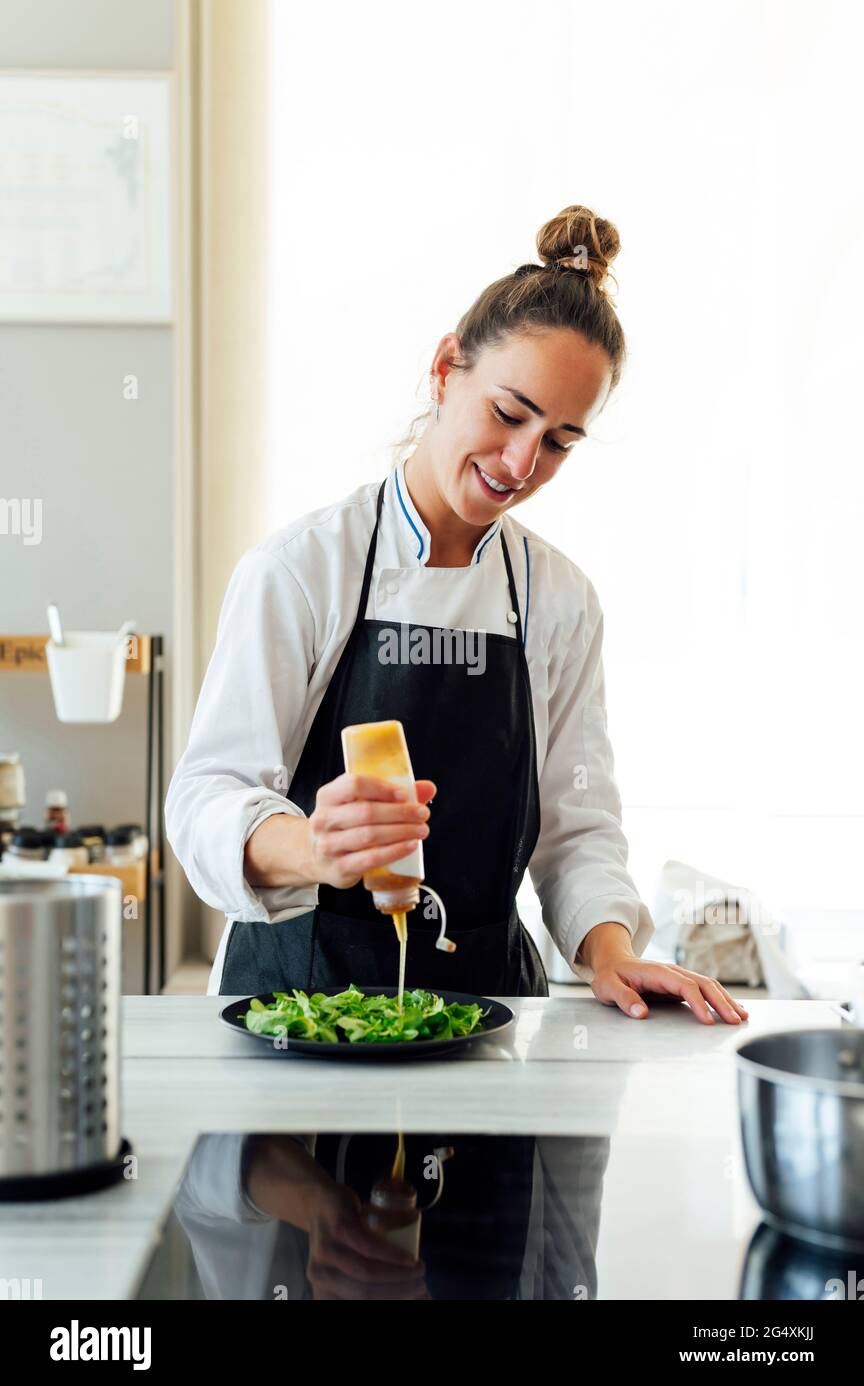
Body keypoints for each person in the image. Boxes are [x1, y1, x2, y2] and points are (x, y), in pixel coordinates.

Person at [165, 203, 749, 1026]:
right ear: (446, 368)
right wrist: (312, 846)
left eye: (560, 441)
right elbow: (206, 799)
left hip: (487, 1011)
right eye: (510, 414)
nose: (522, 463)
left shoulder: (558, 599)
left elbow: (577, 827)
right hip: (295, 1004)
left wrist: (614, 954)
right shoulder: (301, 571)